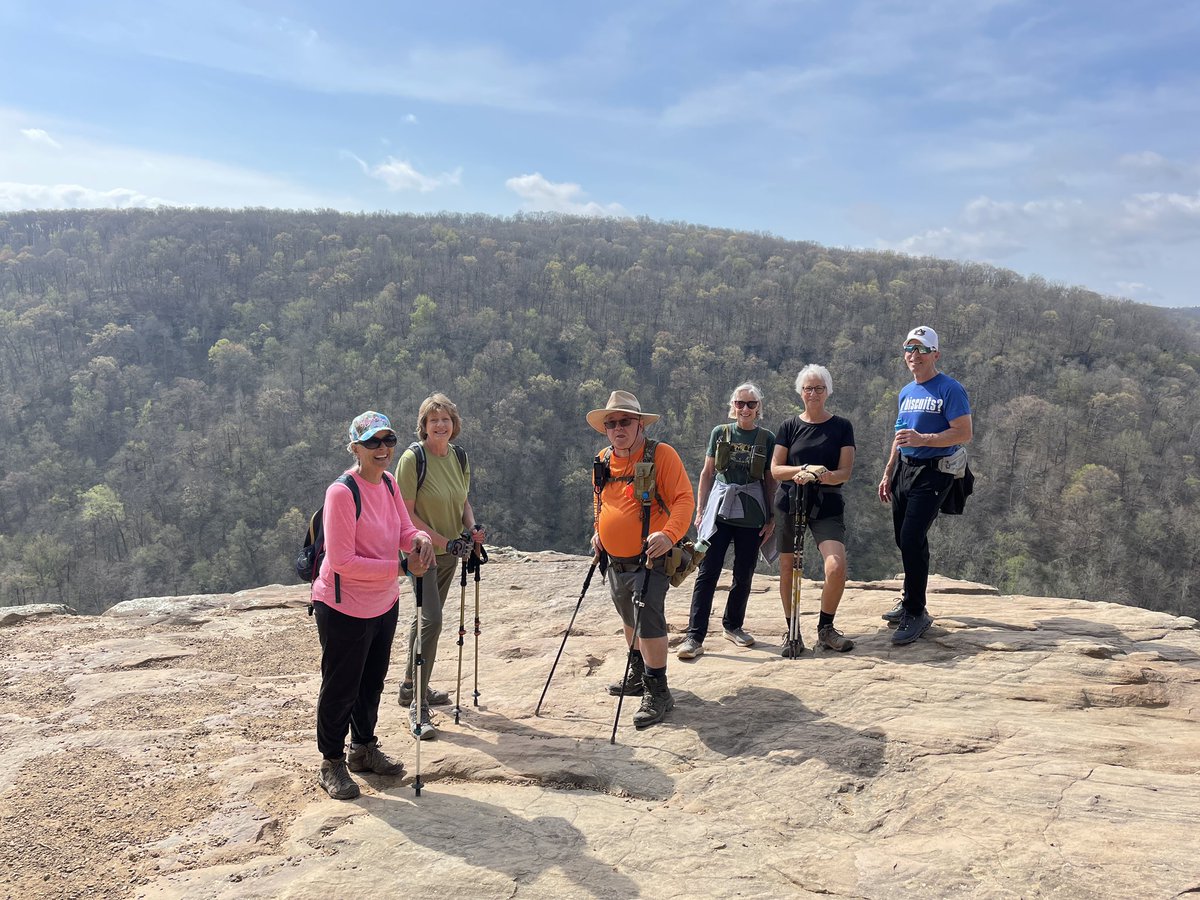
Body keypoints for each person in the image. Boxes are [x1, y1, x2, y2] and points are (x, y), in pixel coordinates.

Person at [313, 410, 436, 800]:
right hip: (343, 605)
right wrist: (401, 566)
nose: (383, 449)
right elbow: (342, 561)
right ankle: (331, 762)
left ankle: (363, 748)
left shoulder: (387, 483)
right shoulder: (342, 492)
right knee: (341, 686)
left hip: (383, 602)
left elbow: (403, 528)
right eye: (373, 443)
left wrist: (419, 539)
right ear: (356, 448)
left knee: (372, 682)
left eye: (388, 440)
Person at [588, 390, 694, 729]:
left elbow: (683, 499)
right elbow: (600, 502)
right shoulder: (603, 459)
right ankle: (637, 673)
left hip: (652, 558)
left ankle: (658, 691)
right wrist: (598, 533)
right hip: (615, 560)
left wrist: (669, 534)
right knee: (628, 613)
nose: (618, 428)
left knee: (648, 620)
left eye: (625, 422)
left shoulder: (661, 455)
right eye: (612, 423)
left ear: (639, 424)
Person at [394, 393, 486, 740]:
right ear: (424, 425)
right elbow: (407, 515)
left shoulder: (458, 456)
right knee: (432, 621)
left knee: (424, 620)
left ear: (454, 424)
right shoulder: (411, 459)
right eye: (434, 420)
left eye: (445, 419)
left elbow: (462, 499)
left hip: (451, 552)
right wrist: (444, 542)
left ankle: (410, 684)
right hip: (423, 555)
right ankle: (419, 704)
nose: (440, 425)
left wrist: (472, 529)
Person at [877, 326, 973, 645]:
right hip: (906, 468)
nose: (913, 355)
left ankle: (917, 613)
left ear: (935, 354)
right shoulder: (907, 392)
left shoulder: (950, 389)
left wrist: (925, 440)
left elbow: (963, 432)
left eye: (921, 349)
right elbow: (901, 435)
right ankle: (909, 599)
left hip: (935, 471)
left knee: (912, 535)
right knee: (903, 538)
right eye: (909, 348)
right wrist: (889, 470)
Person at [677, 383, 776, 660]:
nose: (745, 409)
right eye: (740, 404)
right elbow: (708, 473)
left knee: (743, 573)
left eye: (751, 404)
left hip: (752, 513)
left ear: (759, 408)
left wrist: (771, 517)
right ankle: (694, 636)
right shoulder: (720, 433)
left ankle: (733, 626)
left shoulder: (766, 438)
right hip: (719, 511)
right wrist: (701, 511)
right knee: (707, 572)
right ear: (733, 406)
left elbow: (770, 480)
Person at [770, 365, 856, 657]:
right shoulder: (789, 426)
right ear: (800, 392)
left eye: (819, 388)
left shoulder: (842, 426)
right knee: (787, 568)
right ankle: (792, 631)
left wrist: (821, 475)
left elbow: (844, 472)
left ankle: (825, 628)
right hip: (790, 502)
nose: (813, 393)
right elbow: (776, 469)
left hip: (827, 503)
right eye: (808, 388)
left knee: (836, 566)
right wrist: (803, 469)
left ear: (828, 391)